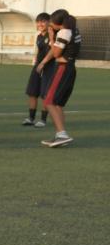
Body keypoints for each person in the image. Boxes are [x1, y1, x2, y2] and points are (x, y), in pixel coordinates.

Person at [36, 9, 80, 147]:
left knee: (49, 101)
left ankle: (62, 135)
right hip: (69, 67)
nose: (50, 26)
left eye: (51, 23)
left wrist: (51, 37)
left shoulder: (64, 32)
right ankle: (59, 135)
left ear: (57, 23)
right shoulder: (74, 30)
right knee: (58, 104)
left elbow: (55, 53)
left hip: (63, 68)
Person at [21, 12, 51, 128]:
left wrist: (44, 63)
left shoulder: (52, 35)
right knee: (32, 92)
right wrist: (36, 62)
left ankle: (43, 120)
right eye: (38, 22)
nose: (40, 24)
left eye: (43, 21)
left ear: (49, 22)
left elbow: (53, 52)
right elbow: (39, 52)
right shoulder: (39, 37)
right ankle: (31, 118)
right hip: (38, 66)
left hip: (48, 68)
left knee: (45, 94)